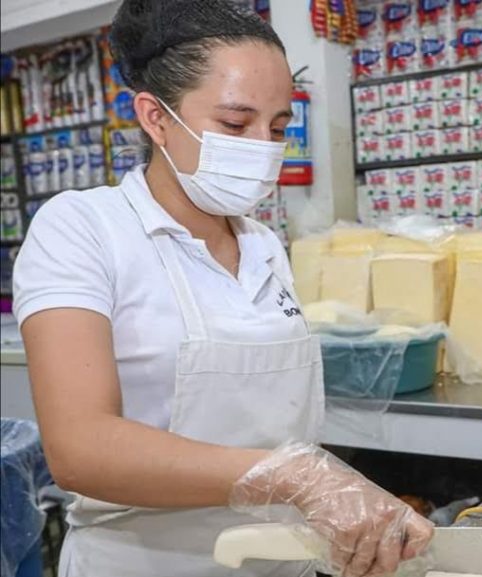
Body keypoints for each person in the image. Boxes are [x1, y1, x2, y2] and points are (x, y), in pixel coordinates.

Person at [12, 1, 433, 575]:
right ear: (155, 117)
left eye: (278, 128)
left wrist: (333, 498)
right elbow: (80, 449)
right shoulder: (84, 228)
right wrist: (297, 476)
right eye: (236, 124)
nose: (262, 146)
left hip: (280, 562)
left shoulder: (263, 245)